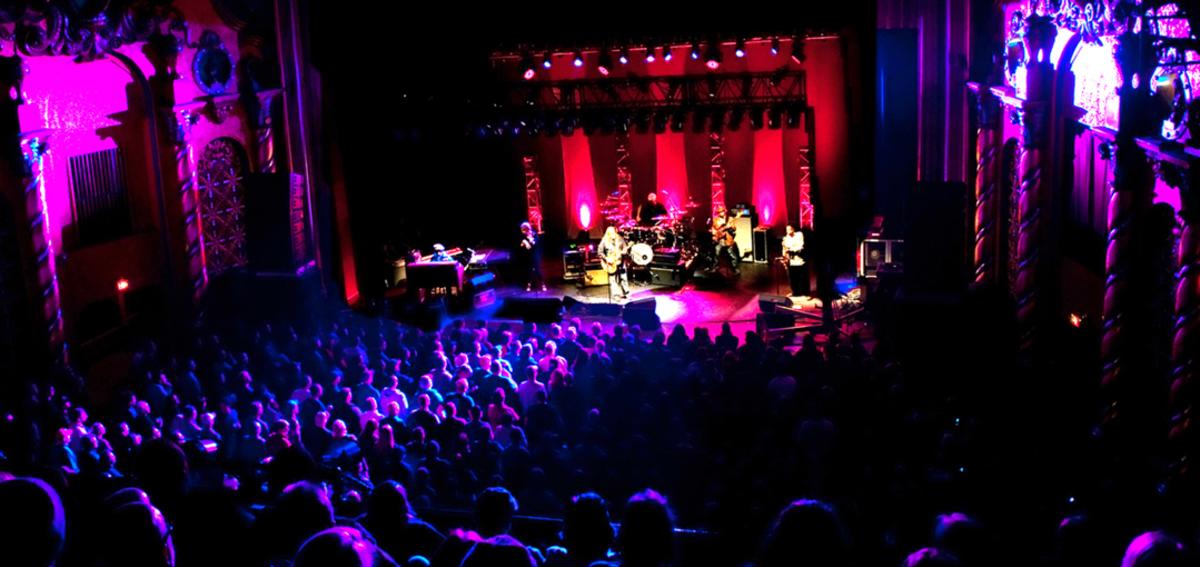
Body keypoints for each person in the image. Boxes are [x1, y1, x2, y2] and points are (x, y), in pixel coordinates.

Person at [598, 226, 630, 300]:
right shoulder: (604, 240)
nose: (613, 234)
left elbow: (625, 249)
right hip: (610, 263)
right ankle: (616, 295)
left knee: (623, 277)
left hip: (620, 262)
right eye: (611, 233)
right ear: (608, 233)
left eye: (614, 232)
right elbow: (600, 252)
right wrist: (606, 259)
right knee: (613, 280)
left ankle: (626, 293)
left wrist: (623, 252)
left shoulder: (620, 239)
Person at [519, 221, 546, 292]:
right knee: (529, 270)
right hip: (528, 255)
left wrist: (530, 239)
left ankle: (543, 284)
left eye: (524, 229)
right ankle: (529, 285)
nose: (523, 231)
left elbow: (535, 244)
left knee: (538, 270)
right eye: (522, 229)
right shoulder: (523, 236)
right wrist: (524, 241)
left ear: (527, 229)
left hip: (535, 254)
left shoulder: (534, 234)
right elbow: (521, 245)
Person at [781, 225, 808, 296]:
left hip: (800, 259)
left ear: (793, 229)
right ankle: (795, 292)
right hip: (791, 261)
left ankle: (805, 293)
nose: (788, 231)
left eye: (790, 229)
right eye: (787, 229)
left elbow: (800, 246)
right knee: (792, 278)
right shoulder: (785, 239)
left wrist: (791, 249)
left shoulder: (799, 235)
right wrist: (784, 259)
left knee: (802, 277)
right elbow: (784, 249)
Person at [712, 211, 740, 275]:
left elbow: (734, 228)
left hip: (728, 240)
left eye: (723, 211)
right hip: (720, 240)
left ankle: (735, 269)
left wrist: (731, 228)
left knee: (733, 256)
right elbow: (715, 229)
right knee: (716, 254)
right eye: (721, 212)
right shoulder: (716, 220)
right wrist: (722, 229)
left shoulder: (729, 219)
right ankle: (715, 268)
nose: (722, 213)